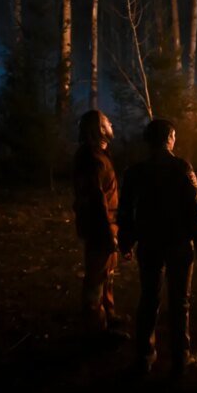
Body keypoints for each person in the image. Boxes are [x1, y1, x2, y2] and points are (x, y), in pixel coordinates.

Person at [117, 119, 197, 377]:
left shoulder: (135, 172)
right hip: (178, 243)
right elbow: (195, 206)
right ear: (169, 138)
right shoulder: (182, 168)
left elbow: (125, 210)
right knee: (180, 302)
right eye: (174, 135)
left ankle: (145, 356)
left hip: (149, 243)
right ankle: (181, 358)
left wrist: (126, 240)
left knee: (149, 298)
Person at [72, 110, 129, 343]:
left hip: (108, 225)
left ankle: (109, 315)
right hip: (100, 227)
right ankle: (97, 330)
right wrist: (108, 233)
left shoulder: (99, 154)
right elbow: (96, 200)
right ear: (99, 128)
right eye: (107, 122)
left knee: (107, 274)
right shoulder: (91, 159)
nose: (111, 123)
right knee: (95, 279)